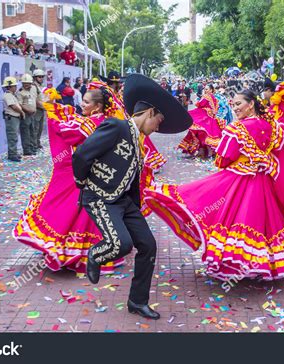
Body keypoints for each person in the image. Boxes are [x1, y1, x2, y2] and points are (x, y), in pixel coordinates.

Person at [144, 82, 284, 282]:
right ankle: (262, 264)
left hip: (238, 183)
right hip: (264, 183)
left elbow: (223, 159)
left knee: (225, 214)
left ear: (251, 104)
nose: (235, 108)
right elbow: (279, 150)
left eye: (238, 104)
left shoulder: (237, 129)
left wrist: (238, 160)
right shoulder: (272, 125)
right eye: (233, 105)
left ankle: (241, 264)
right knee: (263, 224)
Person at [72, 74, 192, 319]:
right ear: (149, 113)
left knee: (148, 246)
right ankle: (95, 255)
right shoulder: (116, 126)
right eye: (158, 121)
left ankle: (138, 301)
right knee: (121, 244)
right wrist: (82, 183)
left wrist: (135, 207)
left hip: (125, 203)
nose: (158, 127)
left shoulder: (140, 142)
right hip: (100, 197)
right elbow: (82, 156)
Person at [14, 84, 129, 273]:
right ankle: (90, 253)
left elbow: (65, 130)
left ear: (97, 106)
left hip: (81, 176)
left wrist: (52, 109)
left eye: (85, 102)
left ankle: (67, 253)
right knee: (91, 218)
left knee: (69, 212)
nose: (81, 105)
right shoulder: (108, 122)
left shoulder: (89, 124)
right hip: (101, 179)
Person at [178, 84, 223, 157]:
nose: (205, 91)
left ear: (211, 90)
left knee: (200, 132)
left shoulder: (206, 96)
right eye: (205, 89)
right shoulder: (215, 99)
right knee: (205, 133)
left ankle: (205, 151)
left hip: (204, 117)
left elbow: (199, 104)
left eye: (207, 89)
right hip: (212, 119)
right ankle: (204, 151)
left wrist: (198, 99)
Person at [2, 77, 25, 162]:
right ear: (10, 86)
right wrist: (22, 112)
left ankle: (13, 153)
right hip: (11, 117)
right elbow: (13, 106)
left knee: (14, 136)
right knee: (12, 136)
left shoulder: (11, 95)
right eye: (14, 86)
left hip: (14, 117)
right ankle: (12, 154)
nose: (15, 87)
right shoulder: (7, 95)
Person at [17, 74, 37, 156]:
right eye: (25, 83)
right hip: (25, 115)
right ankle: (27, 149)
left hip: (33, 114)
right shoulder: (20, 92)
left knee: (32, 131)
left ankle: (32, 147)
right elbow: (19, 104)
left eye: (28, 83)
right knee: (26, 133)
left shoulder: (33, 89)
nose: (26, 84)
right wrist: (27, 110)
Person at [31, 69, 46, 150]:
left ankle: (37, 142)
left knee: (40, 128)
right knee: (35, 128)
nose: (41, 78)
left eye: (42, 77)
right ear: (35, 77)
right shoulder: (33, 86)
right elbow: (35, 100)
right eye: (39, 77)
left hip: (41, 109)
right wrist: (44, 107)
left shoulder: (40, 86)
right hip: (36, 110)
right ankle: (34, 144)